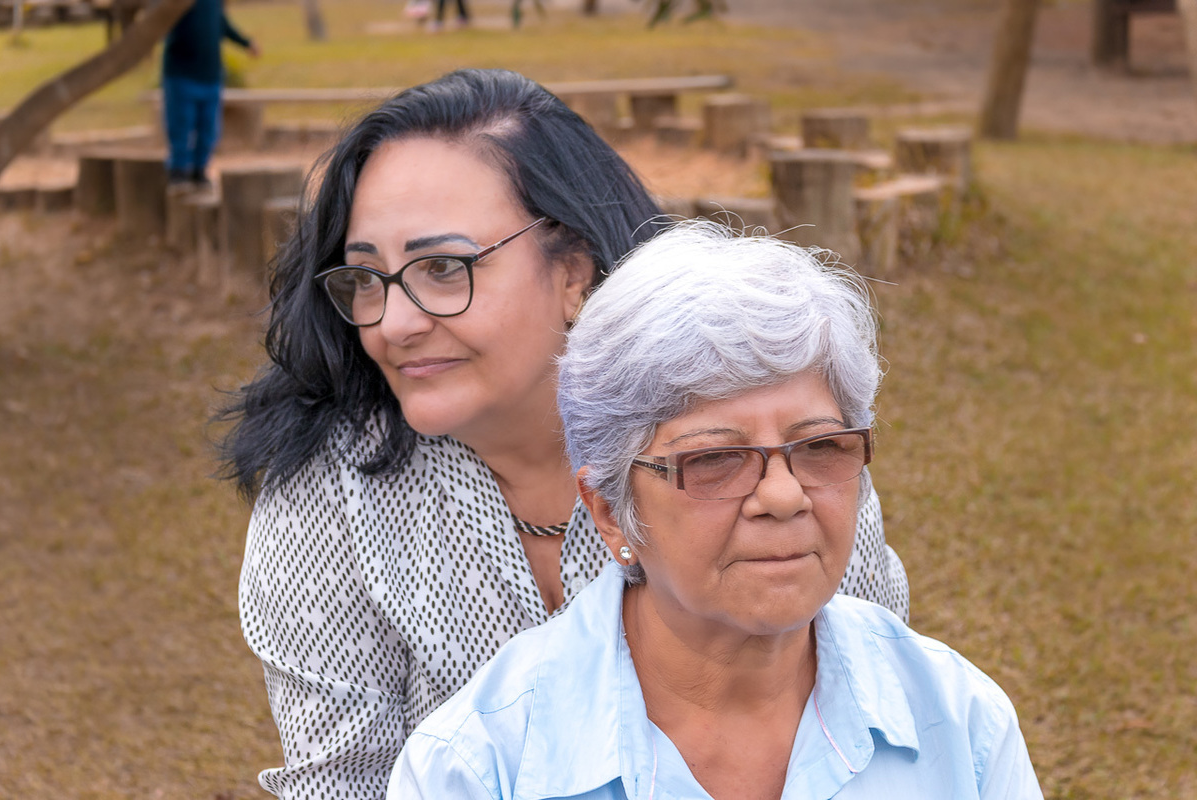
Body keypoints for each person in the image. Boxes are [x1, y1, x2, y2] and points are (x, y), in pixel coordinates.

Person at [219, 69, 908, 799]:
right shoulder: (329, 500)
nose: (394, 323)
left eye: (444, 268)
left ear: (575, 270)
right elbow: (343, 787)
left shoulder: (766, 453)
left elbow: (871, 722)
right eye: (367, 279)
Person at [390, 222, 1042, 799]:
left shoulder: (961, 725)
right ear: (611, 511)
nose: (784, 496)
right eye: (713, 461)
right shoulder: (474, 770)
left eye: (820, 447)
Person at [161, 0, 259, 188]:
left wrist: (246, 43)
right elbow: (161, 24)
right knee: (181, 125)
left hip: (210, 75)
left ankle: (200, 171)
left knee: (208, 128)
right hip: (182, 74)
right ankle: (179, 173)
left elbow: (221, 24)